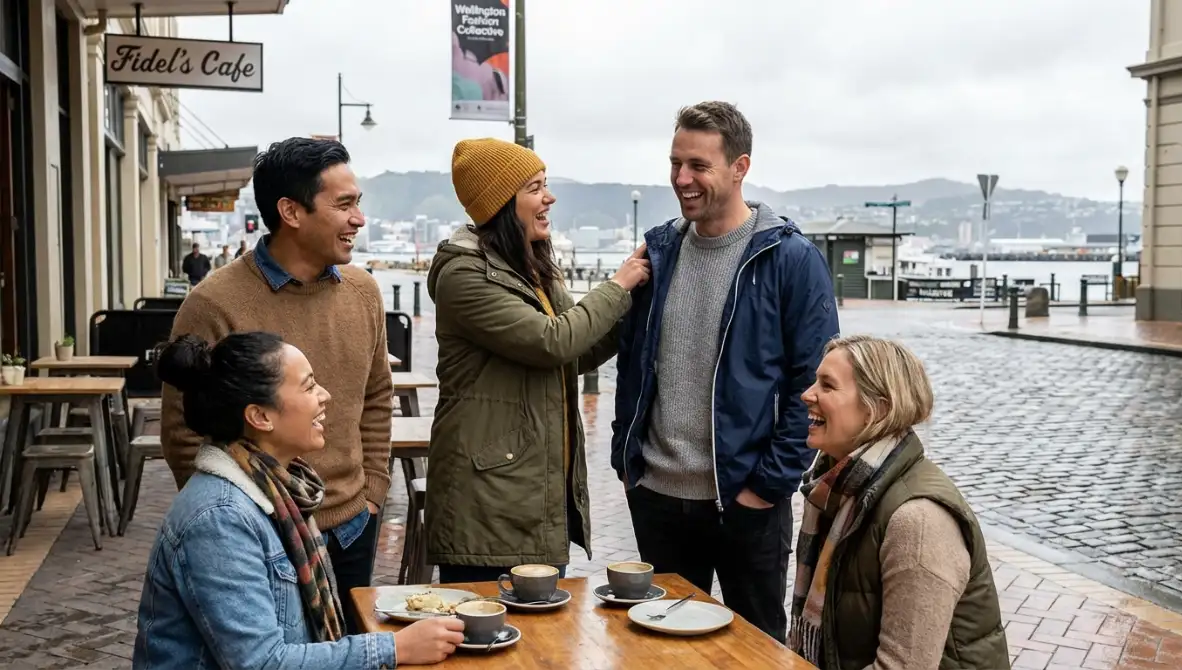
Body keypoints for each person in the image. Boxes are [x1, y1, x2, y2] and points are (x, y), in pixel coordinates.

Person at [611, 100, 839, 643]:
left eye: (699, 166)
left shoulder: (790, 258)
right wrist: (629, 460)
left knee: (754, 648)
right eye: (675, 164)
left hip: (746, 502)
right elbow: (633, 359)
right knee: (660, 650)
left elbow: (813, 384)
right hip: (659, 497)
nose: (682, 179)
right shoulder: (660, 251)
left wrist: (767, 486)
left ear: (740, 168)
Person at [160, 138, 392, 633]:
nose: (359, 219)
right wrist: (235, 525)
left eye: (359, 203)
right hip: (262, 532)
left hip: (353, 524)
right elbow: (183, 432)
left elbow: (376, 398)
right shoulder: (214, 302)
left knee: (351, 653)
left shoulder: (364, 292)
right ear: (290, 211)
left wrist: (373, 492)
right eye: (344, 204)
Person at [135, 332, 464, 668]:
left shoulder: (282, 489)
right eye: (308, 386)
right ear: (261, 417)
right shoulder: (220, 518)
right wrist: (395, 648)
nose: (325, 395)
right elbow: (262, 663)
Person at [424, 138, 650, 583]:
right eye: (534, 188)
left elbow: (578, 349)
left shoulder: (532, 268)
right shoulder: (463, 275)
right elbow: (553, 341)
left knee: (543, 644)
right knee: (487, 636)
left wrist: (636, 315)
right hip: (487, 503)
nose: (549, 197)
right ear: (502, 203)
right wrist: (619, 287)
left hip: (530, 494)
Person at [788, 335, 1008, 668]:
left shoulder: (918, 520)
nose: (807, 394)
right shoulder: (838, 488)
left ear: (877, 410)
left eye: (828, 386)